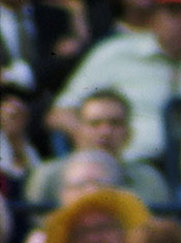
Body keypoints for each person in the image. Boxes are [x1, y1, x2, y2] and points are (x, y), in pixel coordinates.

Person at [46, 0, 181, 166]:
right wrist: (91, 141)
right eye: (173, 14)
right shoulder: (115, 53)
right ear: (153, 20)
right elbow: (60, 113)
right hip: (129, 164)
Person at [25, 88, 171, 206]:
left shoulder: (149, 180)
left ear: (129, 134)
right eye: (95, 124)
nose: (105, 132)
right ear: (78, 131)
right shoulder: (47, 176)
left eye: (115, 123)